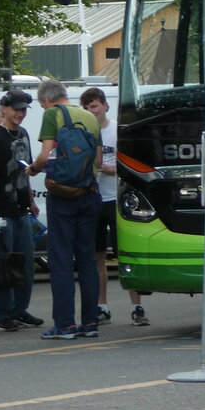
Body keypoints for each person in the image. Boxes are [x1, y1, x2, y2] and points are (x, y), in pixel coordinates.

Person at [27, 79, 102, 341]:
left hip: (63, 196)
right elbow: (99, 160)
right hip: (89, 192)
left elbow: (45, 156)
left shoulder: (52, 114)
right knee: (87, 259)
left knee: (60, 259)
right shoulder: (90, 117)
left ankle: (65, 325)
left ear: (46, 100)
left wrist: (32, 169)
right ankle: (91, 322)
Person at [79, 87, 148, 326]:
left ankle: (137, 306)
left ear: (105, 106)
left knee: (124, 254)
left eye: (95, 106)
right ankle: (102, 306)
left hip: (116, 199)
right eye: (87, 108)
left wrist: (107, 168)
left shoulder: (116, 131)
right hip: (95, 200)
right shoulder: (85, 132)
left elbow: (129, 165)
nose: (92, 111)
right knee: (98, 255)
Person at [0, 88, 43, 331]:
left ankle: (19, 309)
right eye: (16, 109)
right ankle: (0, 313)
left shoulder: (24, 134)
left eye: (23, 109)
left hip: (20, 208)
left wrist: (31, 200)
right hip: (1, 211)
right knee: (4, 264)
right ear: (4, 109)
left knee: (25, 263)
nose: (20, 113)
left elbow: (24, 170)